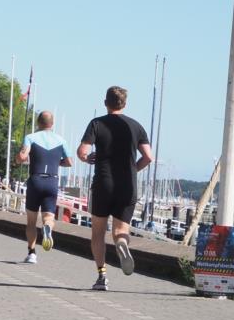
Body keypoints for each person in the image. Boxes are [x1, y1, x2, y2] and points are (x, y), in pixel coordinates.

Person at [77, 86, 154, 291]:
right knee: (121, 230)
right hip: (127, 185)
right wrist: (133, 170)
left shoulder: (97, 123)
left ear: (106, 103)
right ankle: (122, 244)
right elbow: (148, 157)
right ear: (125, 104)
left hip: (103, 183)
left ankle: (102, 276)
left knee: (98, 234)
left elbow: (83, 151)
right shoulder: (136, 126)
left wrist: (86, 158)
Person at [16, 111, 73, 264]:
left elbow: (22, 156)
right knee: (48, 217)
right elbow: (69, 162)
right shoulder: (61, 140)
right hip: (52, 182)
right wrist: (57, 163)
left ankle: (32, 253)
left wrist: (18, 158)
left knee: (31, 221)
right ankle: (47, 228)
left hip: (35, 180)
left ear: (38, 123)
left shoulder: (31, 137)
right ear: (52, 124)